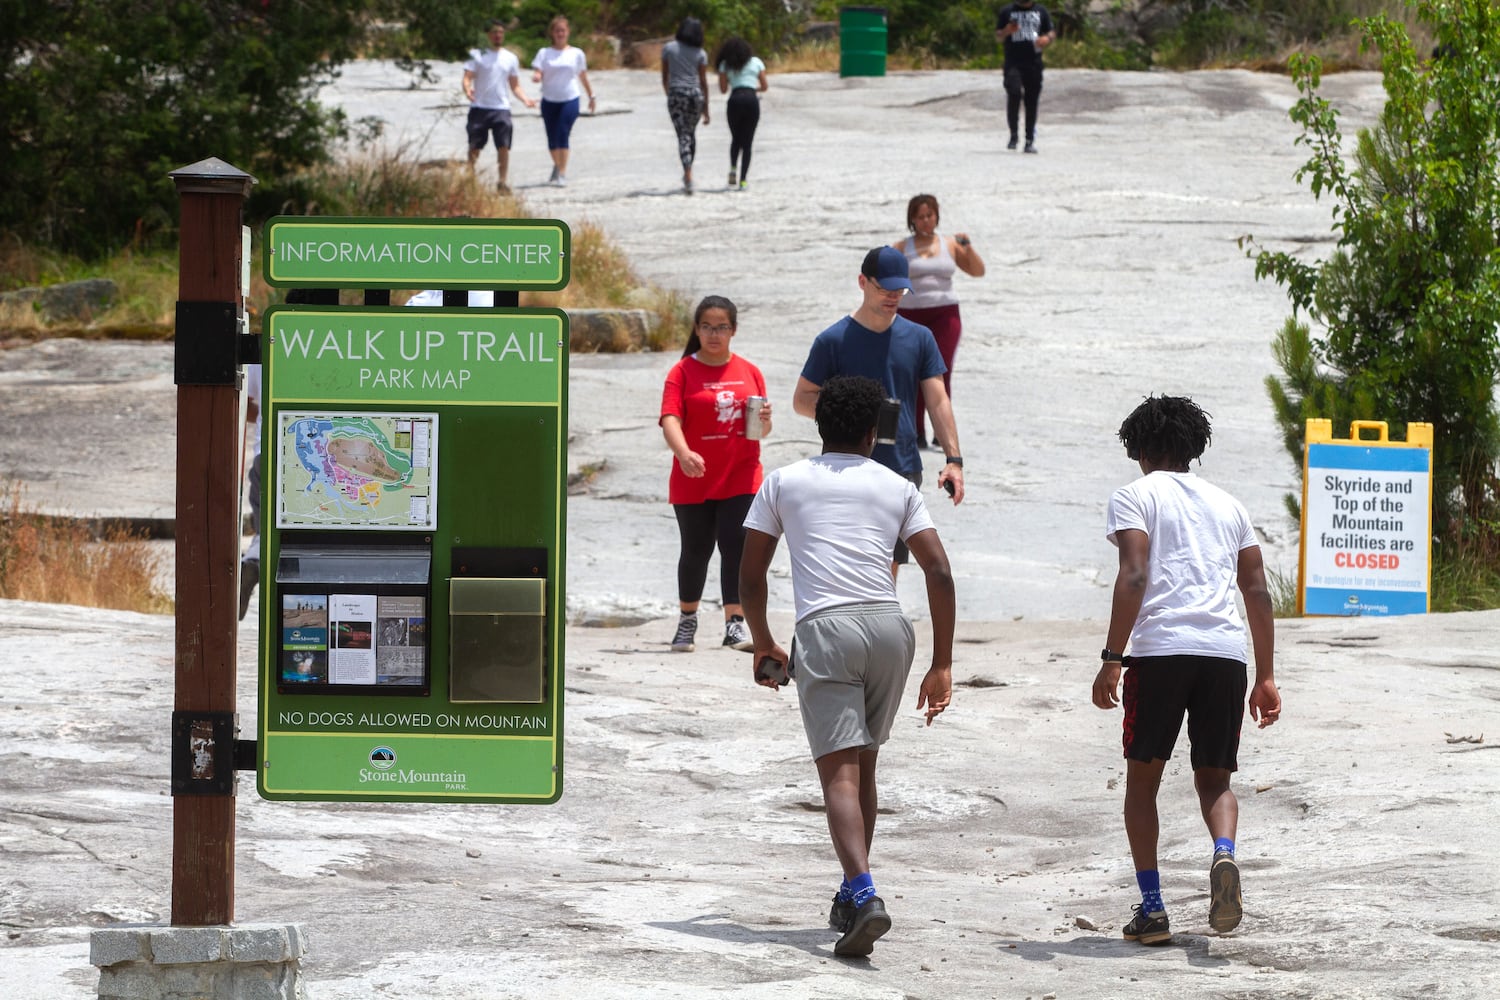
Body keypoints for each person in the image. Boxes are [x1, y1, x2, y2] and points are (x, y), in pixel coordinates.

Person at [739, 374, 955, 958]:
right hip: (890, 628)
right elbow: (938, 572)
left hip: (825, 629)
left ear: (818, 424)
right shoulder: (896, 484)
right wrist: (942, 664)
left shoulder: (782, 481)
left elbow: (751, 573)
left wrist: (763, 642)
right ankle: (847, 890)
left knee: (839, 775)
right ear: (872, 432)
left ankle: (864, 893)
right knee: (865, 766)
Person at [1090, 395, 1282, 946]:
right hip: (1224, 653)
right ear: (1194, 447)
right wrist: (1265, 675)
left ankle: (1152, 909)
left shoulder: (1134, 496)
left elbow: (1133, 575)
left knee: (1142, 784)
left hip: (1160, 653)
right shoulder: (1230, 506)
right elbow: (1257, 590)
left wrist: (1111, 657)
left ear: (1139, 447)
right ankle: (1224, 854)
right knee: (1215, 781)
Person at [792, 247, 965, 576]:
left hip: (901, 469)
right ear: (862, 282)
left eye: (899, 289)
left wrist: (953, 461)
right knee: (845, 567)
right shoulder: (832, 340)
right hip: (841, 470)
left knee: (888, 570)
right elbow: (801, 400)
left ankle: (876, 626)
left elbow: (938, 400)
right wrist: (850, 410)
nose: (893, 296)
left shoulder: (920, 338)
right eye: (884, 288)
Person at [659, 295, 772, 654]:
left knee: (736, 547)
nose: (713, 333)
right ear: (696, 329)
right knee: (695, 549)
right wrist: (683, 452)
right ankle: (687, 620)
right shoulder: (682, 372)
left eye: (721, 327)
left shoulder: (749, 371)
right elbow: (670, 418)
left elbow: (760, 430)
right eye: (706, 326)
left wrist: (766, 423)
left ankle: (734, 623)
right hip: (693, 475)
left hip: (741, 474)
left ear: (733, 330)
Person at [892, 194, 985, 448]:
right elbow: (885, 277)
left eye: (929, 215)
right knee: (912, 373)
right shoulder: (901, 247)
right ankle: (916, 432)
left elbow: (978, 271)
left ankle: (941, 433)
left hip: (945, 315)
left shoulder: (950, 244)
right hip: (910, 315)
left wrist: (968, 247)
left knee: (940, 372)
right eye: (920, 217)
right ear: (912, 219)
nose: (925, 221)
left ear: (936, 216)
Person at [463, 19, 536, 194]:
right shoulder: (477, 54)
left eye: (501, 32)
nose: (498, 35)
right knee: (474, 146)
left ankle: (502, 182)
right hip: (480, 107)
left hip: (501, 108)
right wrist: (467, 90)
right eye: (495, 32)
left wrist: (525, 99)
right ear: (488, 34)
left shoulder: (510, 58)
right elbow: (467, 77)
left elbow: (515, 85)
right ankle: (469, 178)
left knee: (504, 145)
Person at [531, 15, 595, 187]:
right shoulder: (544, 53)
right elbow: (539, 70)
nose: (560, 33)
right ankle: (557, 165)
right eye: (557, 30)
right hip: (549, 100)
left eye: (563, 30)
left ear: (568, 32)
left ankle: (562, 173)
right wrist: (537, 76)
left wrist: (591, 96)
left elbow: (583, 76)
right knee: (551, 139)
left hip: (570, 99)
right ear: (552, 33)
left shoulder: (576, 53)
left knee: (562, 133)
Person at [995, 0, 1056, 153]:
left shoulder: (1041, 11)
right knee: (1014, 93)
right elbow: (998, 37)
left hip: (1034, 63)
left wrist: (1047, 39)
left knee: (1031, 100)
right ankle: (1013, 135)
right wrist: (1007, 31)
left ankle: (1029, 140)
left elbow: (1051, 31)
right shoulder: (1007, 11)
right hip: (1013, 62)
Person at [660, 18, 710, 194]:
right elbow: (703, 82)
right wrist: (706, 109)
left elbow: (665, 75)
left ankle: (688, 173)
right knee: (690, 133)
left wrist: (669, 94)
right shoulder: (700, 53)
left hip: (677, 93)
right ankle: (688, 170)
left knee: (682, 135)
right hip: (695, 95)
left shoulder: (669, 48)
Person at [714, 36, 767, 191]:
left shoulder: (725, 65)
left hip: (735, 100)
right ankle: (743, 180)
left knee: (736, 139)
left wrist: (734, 82)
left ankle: (732, 171)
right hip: (751, 100)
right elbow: (764, 86)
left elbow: (723, 90)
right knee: (748, 142)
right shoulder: (756, 62)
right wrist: (751, 88)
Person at [238, 360, 262, 622]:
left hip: (265, 454)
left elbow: (247, 404)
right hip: (327, 456)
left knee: (266, 529)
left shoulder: (266, 344)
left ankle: (253, 562)